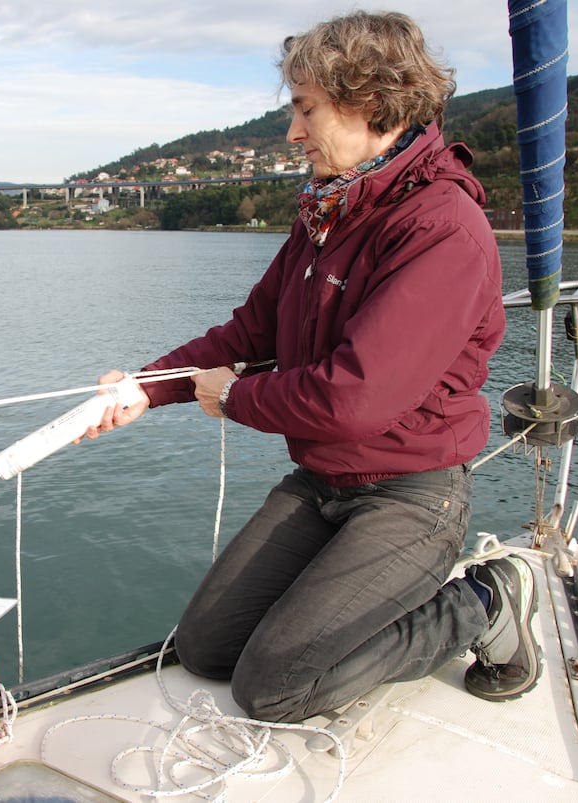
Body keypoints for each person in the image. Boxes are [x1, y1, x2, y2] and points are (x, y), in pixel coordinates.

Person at [85, 10, 539, 722]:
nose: (293, 133)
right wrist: (148, 386)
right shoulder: (330, 214)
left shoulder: (443, 228)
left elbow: (355, 399)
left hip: (411, 495)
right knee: (204, 647)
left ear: (375, 105)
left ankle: (480, 603)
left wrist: (236, 398)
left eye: (306, 111)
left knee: (274, 684)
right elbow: (252, 329)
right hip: (322, 481)